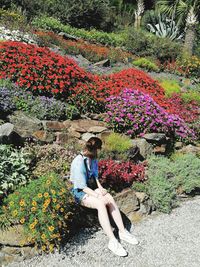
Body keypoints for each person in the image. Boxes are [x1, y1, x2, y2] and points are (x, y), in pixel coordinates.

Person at [70, 137, 139, 257]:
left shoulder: (93, 159)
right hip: (80, 192)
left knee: (109, 198)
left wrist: (101, 189)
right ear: (94, 149)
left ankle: (122, 231)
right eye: (98, 150)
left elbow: (94, 177)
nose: (100, 152)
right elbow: (81, 186)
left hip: (90, 188)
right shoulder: (78, 162)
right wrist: (97, 195)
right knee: (101, 203)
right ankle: (112, 241)